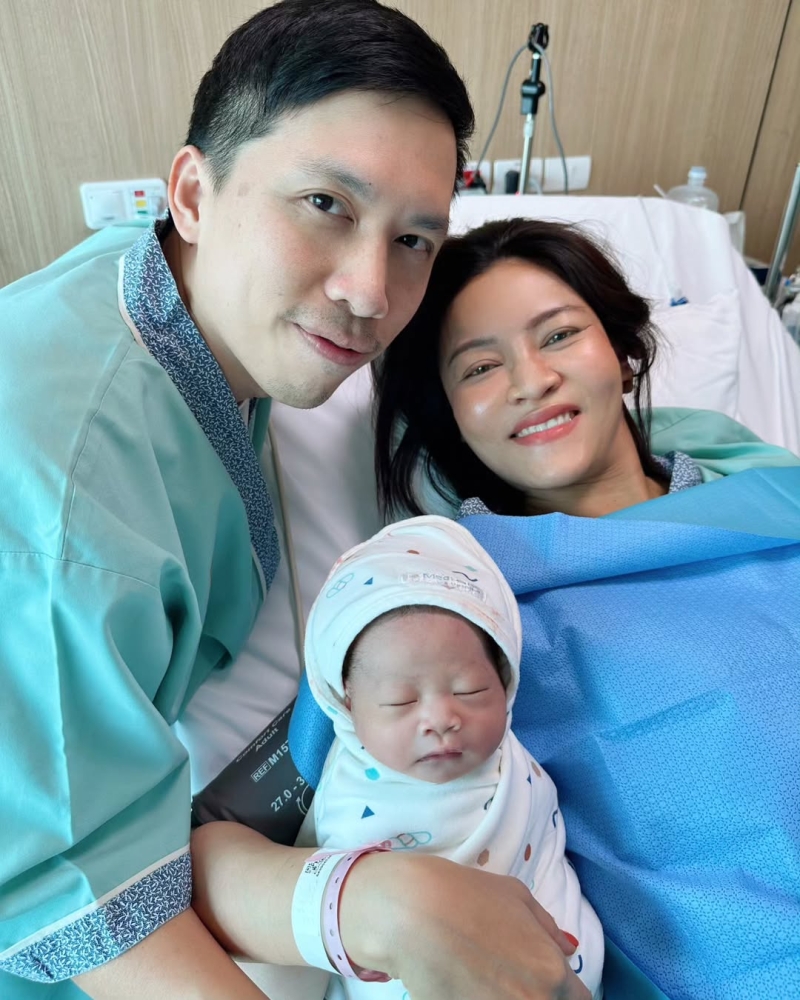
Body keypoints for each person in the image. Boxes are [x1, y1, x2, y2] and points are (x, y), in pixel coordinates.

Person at [1, 4, 595, 999]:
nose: (370, 291)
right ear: (193, 192)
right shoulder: (66, 486)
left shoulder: (175, 313)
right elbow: (59, 889)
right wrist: (370, 906)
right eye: (325, 203)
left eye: (414, 239)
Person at [372, 218, 800, 999]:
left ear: (624, 353)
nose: (530, 380)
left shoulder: (772, 497)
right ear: (451, 418)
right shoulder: (449, 594)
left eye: (560, 335)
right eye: (480, 368)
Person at [191, 516, 604, 999]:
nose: (441, 719)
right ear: (348, 707)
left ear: (506, 679)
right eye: (401, 701)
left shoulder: (514, 762)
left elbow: (542, 846)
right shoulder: (349, 802)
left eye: (470, 690)